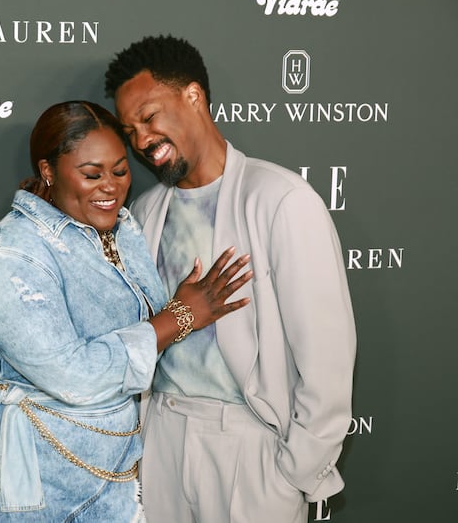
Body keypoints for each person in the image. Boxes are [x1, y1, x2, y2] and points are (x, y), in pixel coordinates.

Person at [0, 100, 252, 522]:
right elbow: (74, 376)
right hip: (31, 483)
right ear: (48, 171)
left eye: (119, 171)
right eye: (91, 174)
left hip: (115, 472)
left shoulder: (122, 229)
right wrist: (177, 318)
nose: (111, 188)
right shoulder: (9, 256)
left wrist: (175, 317)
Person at [104, 35, 357, 523]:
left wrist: (293, 474)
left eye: (149, 117)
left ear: (193, 96)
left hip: (249, 448)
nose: (139, 140)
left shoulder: (280, 199)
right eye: (129, 129)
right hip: (160, 441)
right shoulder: (144, 209)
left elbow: (327, 356)